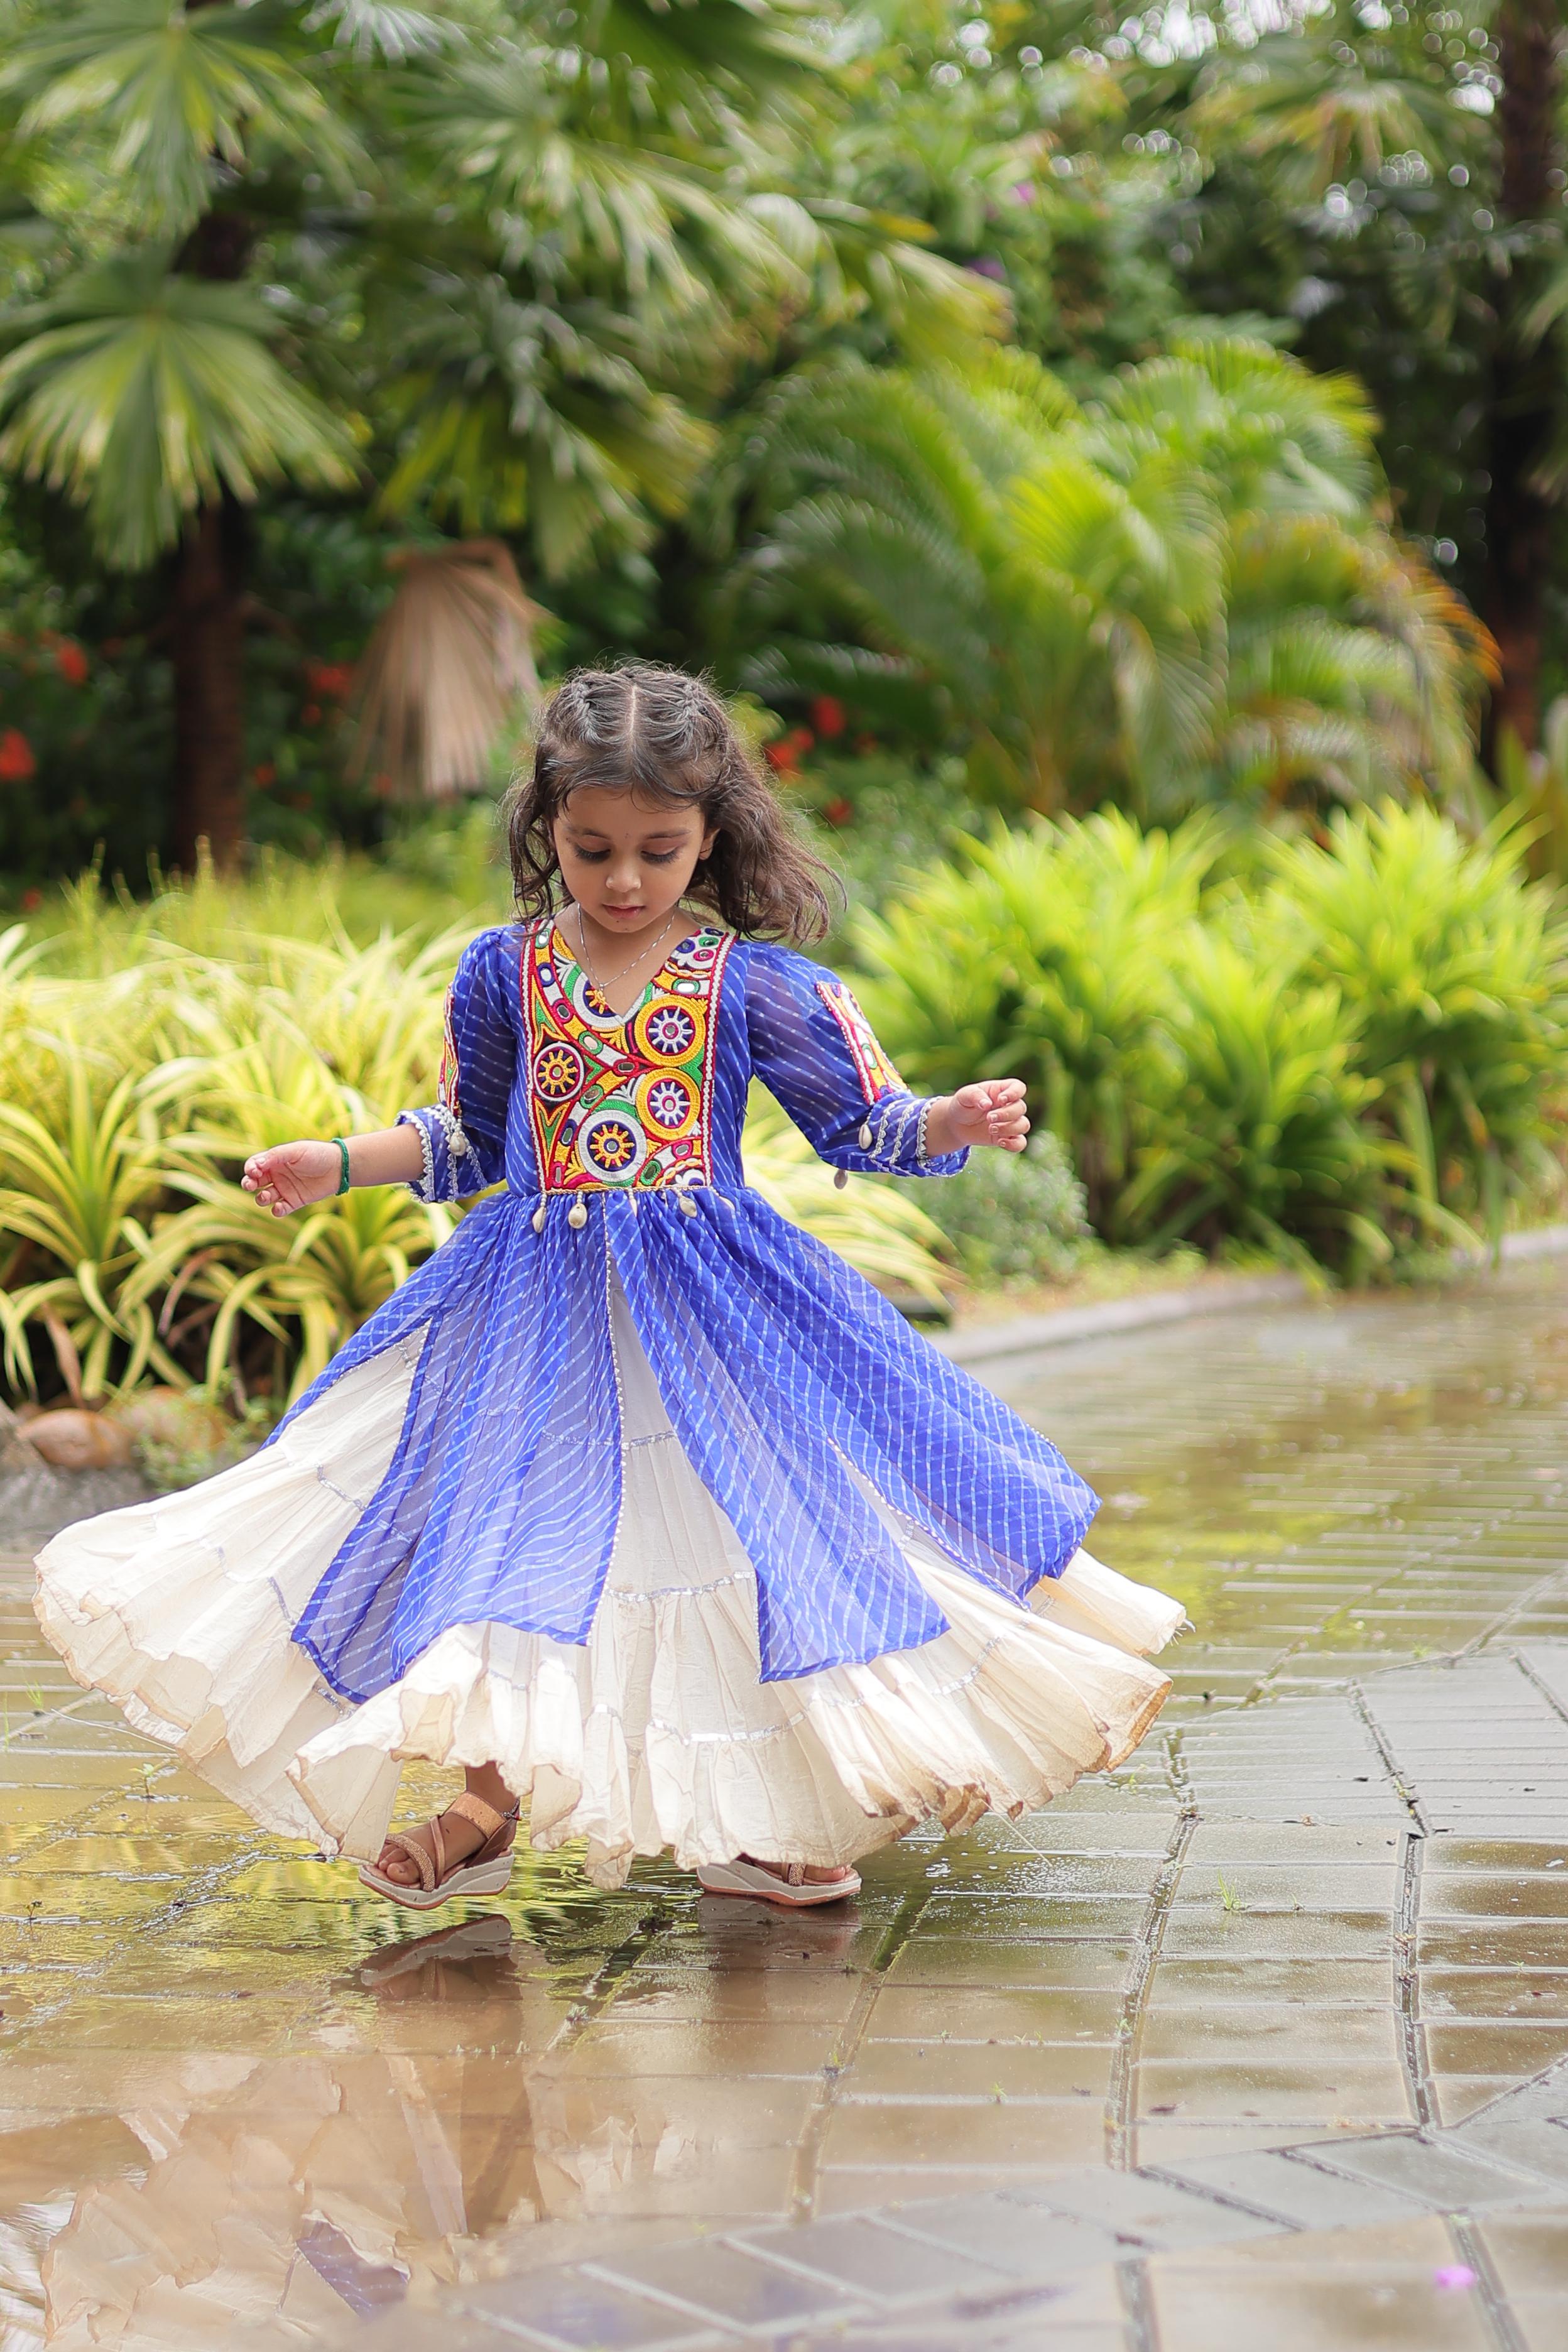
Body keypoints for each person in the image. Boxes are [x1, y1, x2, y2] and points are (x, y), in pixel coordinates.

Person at [35, 665, 1182, 1912]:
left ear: (713, 837)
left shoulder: (750, 983)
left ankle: (766, 1812)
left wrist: (949, 1118)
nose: (625, 880)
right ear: (548, 831)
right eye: (591, 851)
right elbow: (474, 1137)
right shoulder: (506, 973)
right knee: (511, 1536)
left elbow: (863, 1125)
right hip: (536, 1312)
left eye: (658, 850)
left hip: (717, 1311)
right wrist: (342, 1166)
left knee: (744, 1541)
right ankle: (485, 1802)